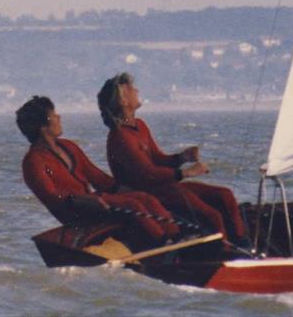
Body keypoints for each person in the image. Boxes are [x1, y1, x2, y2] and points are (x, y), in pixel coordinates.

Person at [97, 73, 248, 247]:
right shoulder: (120, 136)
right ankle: (224, 251)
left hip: (166, 187)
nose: (137, 90)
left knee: (225, 195)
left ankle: (243, 243)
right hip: (152, 194)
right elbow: (149, 174)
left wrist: (181, 157)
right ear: (123, 102)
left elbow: (158, 159)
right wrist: (186, 172)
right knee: (212, 215)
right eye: (131, 89)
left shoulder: (139, 125)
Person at [16, 94, 180, 247]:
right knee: (132, 204)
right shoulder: (33, 162)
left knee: (144, 197)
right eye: (54, 115)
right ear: (43, 127)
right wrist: (81, 200)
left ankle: (177, 237)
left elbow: (97, 177)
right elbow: (52, 196)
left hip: (96, 201)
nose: (59, 118)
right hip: (77, 214)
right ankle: (164, 243)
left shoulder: (68, 146)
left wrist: (126, 188)